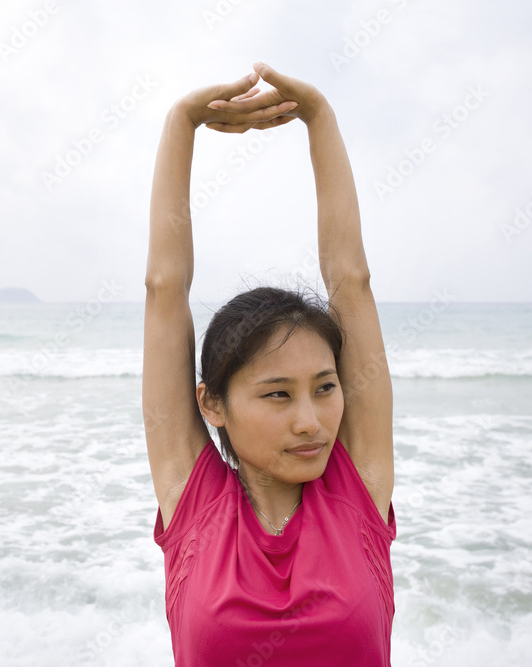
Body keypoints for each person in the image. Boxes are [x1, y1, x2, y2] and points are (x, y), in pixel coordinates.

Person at [142, 62, 396, 666]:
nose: (311, 420)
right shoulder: (193, 501)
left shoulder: (358, 488)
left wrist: (319, 118)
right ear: (212, 404)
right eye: (278, 394)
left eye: (326, 387)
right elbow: (163, 289)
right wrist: (182, 123)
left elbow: (350, 281)